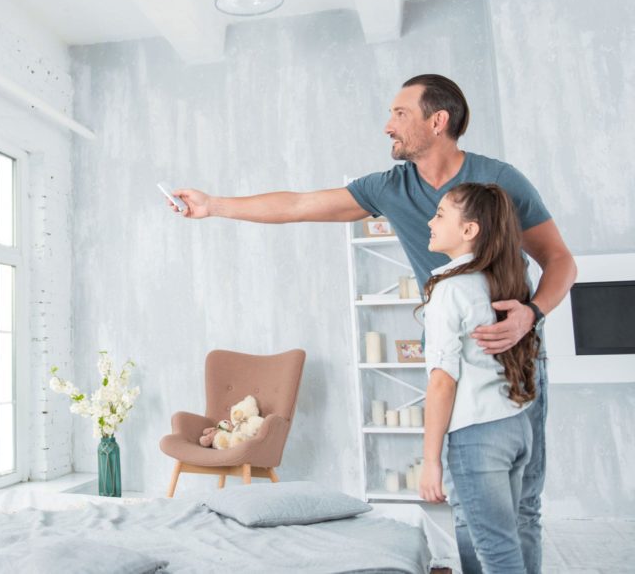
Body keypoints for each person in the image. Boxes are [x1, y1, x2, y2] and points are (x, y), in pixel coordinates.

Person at [170, 74, 576, 573]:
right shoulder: (390, 187)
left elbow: (560, 260)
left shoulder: (498, 183)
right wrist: (214, 206)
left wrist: (530, 315)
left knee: (523, 506)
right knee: (470, 507)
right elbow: (299, 204)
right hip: (452, 359)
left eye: (399, 113)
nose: (388, 125)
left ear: (438, 121)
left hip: (516, 357)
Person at [418, 183, 541, 572]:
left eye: (440, 214)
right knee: (487, 535)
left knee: (496, 551)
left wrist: (430, 460)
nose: (429, 221)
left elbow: (442, 382)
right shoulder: (502, 281)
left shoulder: (451, 291)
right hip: (515, 425)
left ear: (469, 230)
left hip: (477, 434)